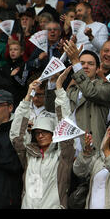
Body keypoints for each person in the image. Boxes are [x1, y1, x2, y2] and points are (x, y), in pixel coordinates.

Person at [10, 73, 75, 209]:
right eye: (38, 132)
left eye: (45, 132)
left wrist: (59, 89)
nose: (40, 135)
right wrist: (28, 97)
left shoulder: (62, 157)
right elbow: (16, 135)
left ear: (54, 134)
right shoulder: (29, 156)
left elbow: (65, 127)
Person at [46, 42, 110, 151]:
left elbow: (90, 92)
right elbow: (52, 109)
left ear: (97, 69)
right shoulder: (72, 90)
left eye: (90, 64)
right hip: (69, 149)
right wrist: (53, 83)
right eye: (81, 63)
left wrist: (75, 62)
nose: (85, 66)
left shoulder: (106, 87)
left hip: (91, 149)